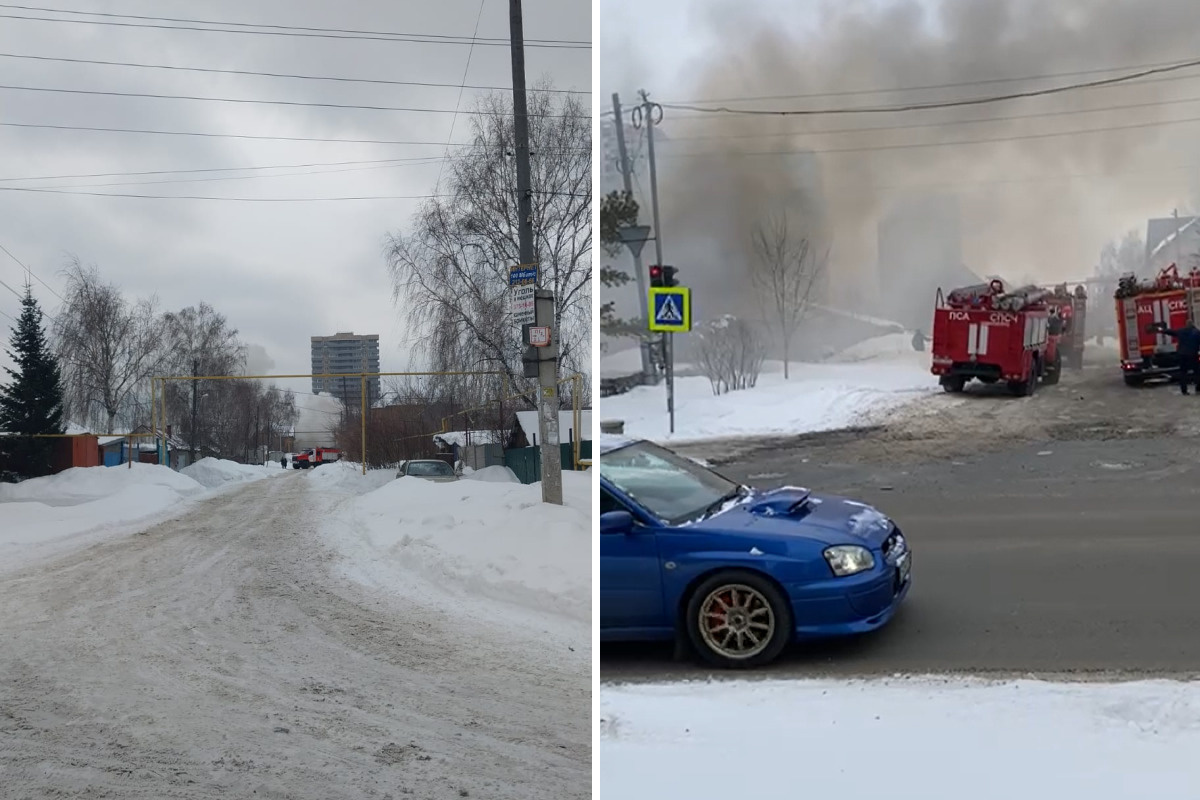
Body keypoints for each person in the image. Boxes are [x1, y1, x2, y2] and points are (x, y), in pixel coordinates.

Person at [1155, 316, 1200, 394]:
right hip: (1193, 355)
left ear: (1186, 325)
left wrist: (1161, 330)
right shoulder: (1197, 332)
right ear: (1192, 324)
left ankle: (1184, 391)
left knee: (1183, 373)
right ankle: (1198, 388)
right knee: (1197, 372)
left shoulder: (1181, 331)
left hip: (1182, 355)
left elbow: (1171, 332)